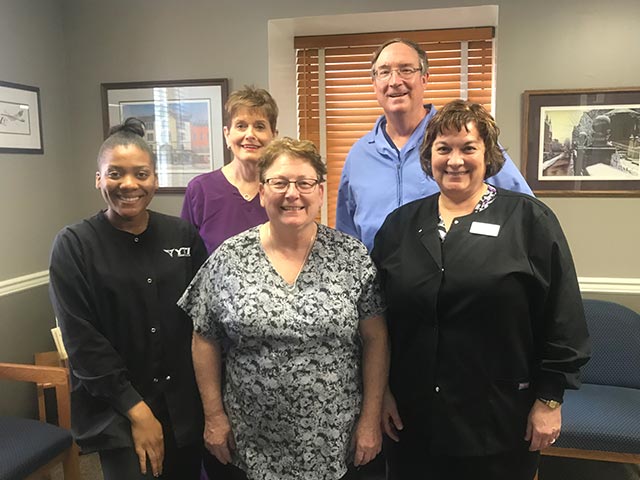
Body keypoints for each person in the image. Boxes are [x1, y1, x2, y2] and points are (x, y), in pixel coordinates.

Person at [371, 100, 591, 479]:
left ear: (487, 155)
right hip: (413, 418)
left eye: (467, 148)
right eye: (444, 148)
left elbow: (563, 315)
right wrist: (382, 393)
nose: (455, 160)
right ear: (429, 157)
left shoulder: (528, 220)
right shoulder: (400, 225)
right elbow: (379, 319)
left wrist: (549, 398)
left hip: (499, 417)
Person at [179, 137, 388, 480]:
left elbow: (377, 340)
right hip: (249, 440)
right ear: (262, 192)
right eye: (279, 182)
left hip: (336, 437)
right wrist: (214, 416)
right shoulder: (229, 258)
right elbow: (204, 338)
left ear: (320, 192)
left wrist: (369, 419)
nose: (293, 193)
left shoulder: (352, 258)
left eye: (304, 183)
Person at [49, 118, 207, 479]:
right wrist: (136, 410)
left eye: (141, 174)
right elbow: (82, 342)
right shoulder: (74, 245)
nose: (129, 185)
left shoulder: (182, 233)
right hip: (116, 410)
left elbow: (204, 319)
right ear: (98, 179)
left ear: (155, 179)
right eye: (115, 174)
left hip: (183, 406)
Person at [336, 38, 533, 251]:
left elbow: (523, 209)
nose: (394, 81)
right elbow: (346, 235)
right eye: (384, 72)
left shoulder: (464, 140)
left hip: (452, 277)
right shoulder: (359, 156)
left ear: (424, 78)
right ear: (374, 83)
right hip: (378, 279)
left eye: (406, 70)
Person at [181, 85, 278, 254]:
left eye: (260, 126)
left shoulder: (283, 190)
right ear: (227, 134)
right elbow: (187, 259)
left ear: (274, 136)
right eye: (241, 126)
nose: (250, 134)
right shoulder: (200, 190)